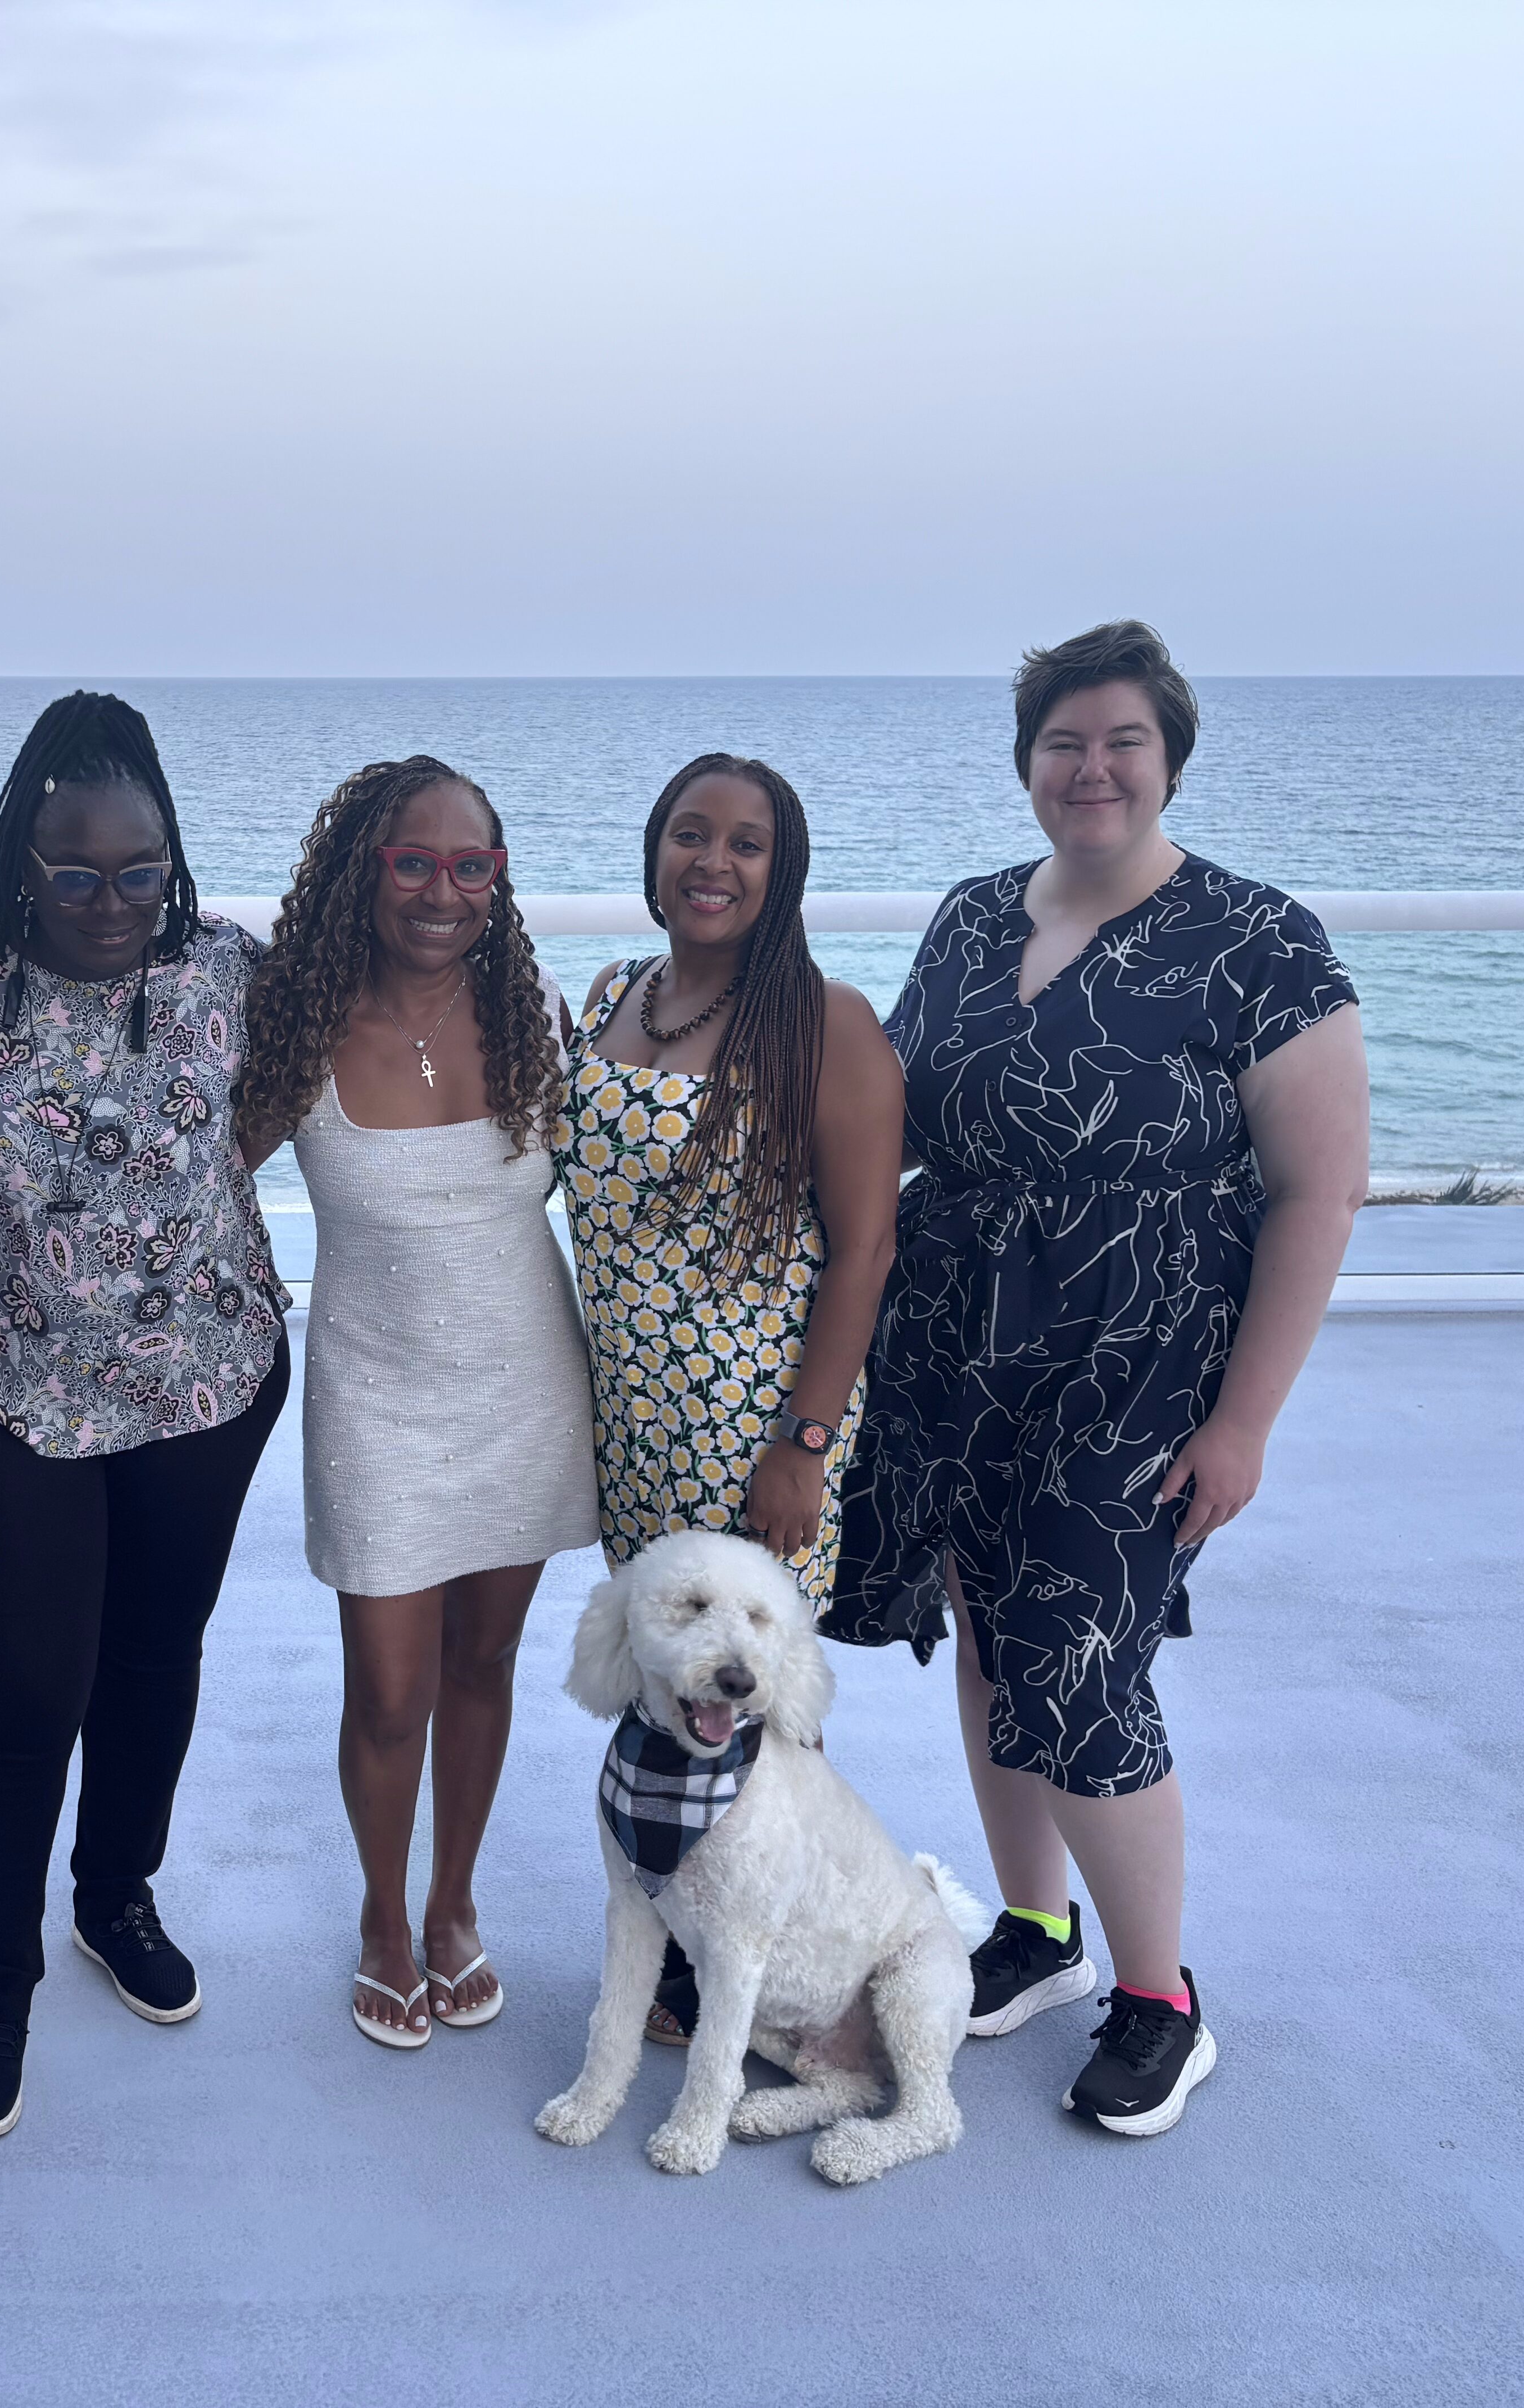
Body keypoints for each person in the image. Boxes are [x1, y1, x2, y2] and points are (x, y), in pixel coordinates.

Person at [827, 621, 1368, 2140]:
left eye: (1124, 739)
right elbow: (894, 1112)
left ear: (1170, 759)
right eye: (1064, 742)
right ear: (1028, 764)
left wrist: (1245, 1422)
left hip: (1141, 1365)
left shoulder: (1258, 939)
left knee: (1080, 1664)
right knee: (992, 1633)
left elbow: (1319, 1192)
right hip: (957, 1345)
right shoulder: (971, 917)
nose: (1093, 767)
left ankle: (1158, 1999)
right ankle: (1036, 1928)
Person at [0, 690, 290, 2142]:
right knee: (22, 1702)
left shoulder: (225, 968)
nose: (112, 903)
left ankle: (116, 1896)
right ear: (20, 862)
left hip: (204, 1380)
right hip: (1, 1394)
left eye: (139, 872)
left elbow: (301, 1084)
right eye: (76, 873)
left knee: (154, 1660)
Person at [233, 755, 595, 2048]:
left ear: (498, 879)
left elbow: (626, 1186)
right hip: (378, 1406)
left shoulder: (536, 1010)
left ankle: (453, 1904)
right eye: (413, 862)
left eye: (470, 865)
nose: (444, 892)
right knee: (389, 1694)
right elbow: (191, 1191)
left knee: (482, 1664)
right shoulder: (299, 1030)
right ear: (362, 873)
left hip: (527, 1391)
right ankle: (384, 1918)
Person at [559, 752, 905, 2050]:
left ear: (782, 872)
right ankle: (685, 1937)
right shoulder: (614, 994)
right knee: (673, 1691)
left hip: (756, 1422)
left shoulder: (827, 1027)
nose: (713, 862)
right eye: (690, 835)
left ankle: (793, 1966)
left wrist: (804, 1443)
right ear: (654, 852)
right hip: (635, 1420)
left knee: (756, 1702)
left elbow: (864, 1249)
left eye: (746, 844)